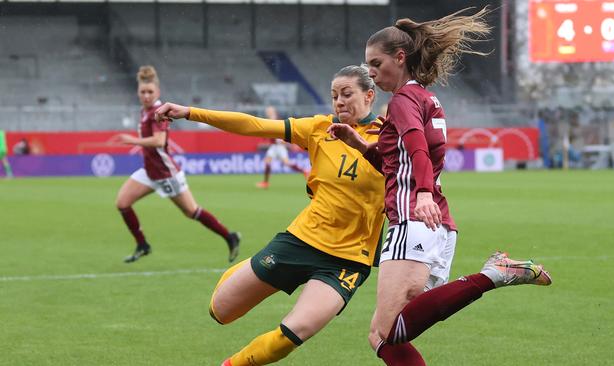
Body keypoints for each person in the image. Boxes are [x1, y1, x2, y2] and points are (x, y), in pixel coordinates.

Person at [327, 8, 552, 365]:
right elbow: (399, 158)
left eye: (375, 62)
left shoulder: (402, 101)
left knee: (388, 332)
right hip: (436, 226)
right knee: (382, 337)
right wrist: (360, 145)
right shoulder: (425, 98)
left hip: (413, 219)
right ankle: (493, 275)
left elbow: (416, 145)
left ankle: (494, 274)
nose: (369, 71)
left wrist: (422, 193)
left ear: (400, 58)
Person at [155, 65, 386, 366]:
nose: (339, 102)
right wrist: (189, 112)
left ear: (369, 95)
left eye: (346, 94)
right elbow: (255, 125)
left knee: (294, 332)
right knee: (220, 311)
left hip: (348, 260)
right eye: (334, 96)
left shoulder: (390, 138)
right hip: (301, 241)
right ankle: (252, 264)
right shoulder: (318, 129)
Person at [115, 65, 240, 264]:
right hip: (149, 171)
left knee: (191, 211)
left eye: (150, 92)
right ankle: (142, 245)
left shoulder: (157, 111)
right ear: (138, 92)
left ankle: (229, 236)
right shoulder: (144, 111)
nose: (146, 95)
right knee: (122, 203)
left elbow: (158, 140)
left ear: (158, 92)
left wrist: (132, 141)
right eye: (142, 92)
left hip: (165, 173)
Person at [256, 105, 309, 189]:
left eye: (269, 110)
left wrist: (285, 143)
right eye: (268, 111)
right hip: (274, 146)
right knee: (267, 161)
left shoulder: (273, 120)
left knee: (286, 163)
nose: (267, 112)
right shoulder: (272, 119)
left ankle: (304, 171)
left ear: (273, 111)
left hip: (279, 146)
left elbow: (277, 133)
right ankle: (265, 182)